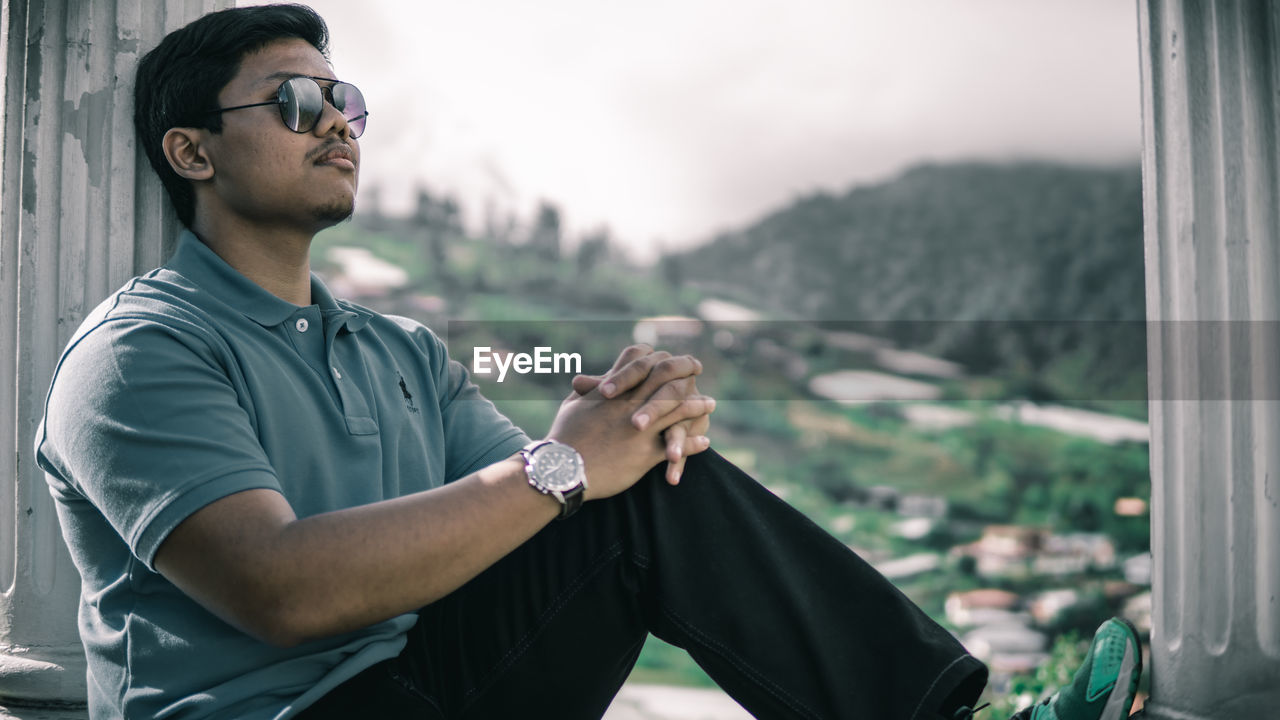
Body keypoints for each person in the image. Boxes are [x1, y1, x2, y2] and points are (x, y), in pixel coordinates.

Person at [35, 4, 1142, 719]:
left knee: (647, 488)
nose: (340, 123)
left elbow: (562, 510)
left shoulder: (398, 351)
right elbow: (278, 591)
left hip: (424, 683)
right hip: (285, 714)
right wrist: (558, 468)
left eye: (349, 101)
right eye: (296, 103)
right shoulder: (139, 354)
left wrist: (630, 432)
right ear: (192, 151)